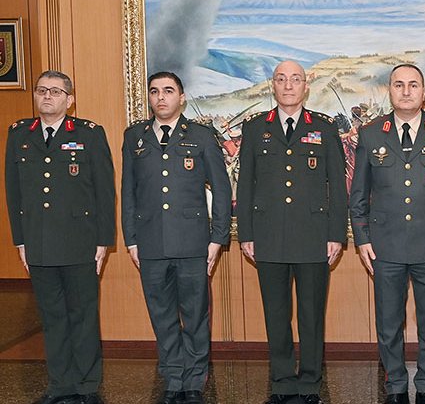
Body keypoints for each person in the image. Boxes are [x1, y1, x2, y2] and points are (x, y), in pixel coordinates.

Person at [350, 64, 425, 404]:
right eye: (399, 85)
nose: (406, 91)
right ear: (390, 90)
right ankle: (396, 385)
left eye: (413, 85)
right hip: (384, 245)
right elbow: (359, 194)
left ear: (423, 91)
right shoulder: (372, 133)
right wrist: (362, 239)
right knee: (389, 321)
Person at [236, 60, 348, 404]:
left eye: (295, 80)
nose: (288, 86)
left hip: (314, 235)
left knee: (312, 312)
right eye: (281, 80)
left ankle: (311, 379)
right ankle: (283, 378)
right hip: (268, 235)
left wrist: (336, 235)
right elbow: (246, 184)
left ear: (306, 86)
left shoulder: (325, 128)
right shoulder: (256, 128)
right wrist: (246, 233)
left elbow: (337, 185)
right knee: (276, 311)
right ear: (273, 85)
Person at [121, 71, 232, 404]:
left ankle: (195, 377)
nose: (161, 97)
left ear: (181, 97)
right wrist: (131, 239)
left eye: (168, 91)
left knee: (195, 313)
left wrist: (217, 238)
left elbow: (222, 190)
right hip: (151, 242)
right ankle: (172, 374)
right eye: (155, 92)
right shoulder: (135, 137)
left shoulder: (199, 136)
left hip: (192, 243)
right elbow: (129, 191)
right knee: (162, 313)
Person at [5, 70, 115, 404]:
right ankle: (60, 383)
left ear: (70, 99)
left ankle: (87, 383)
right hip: (38, 242)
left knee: (83, 315)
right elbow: (14, 191)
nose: (47, 97)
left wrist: (103, 242)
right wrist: (20, 241)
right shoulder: (19, 134)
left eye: (55, 91)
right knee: (51, 317)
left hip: (80, 241)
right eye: (41, 91)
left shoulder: (89, 134)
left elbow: (104, 191)